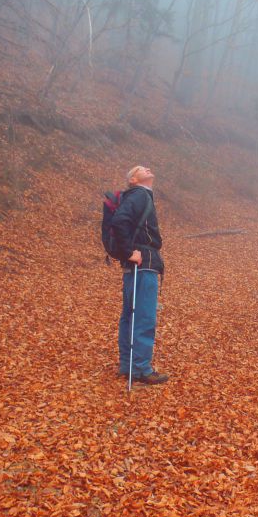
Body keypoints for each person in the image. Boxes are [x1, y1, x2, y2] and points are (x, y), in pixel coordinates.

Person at [111, 165, 168, 385]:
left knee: (129, 316)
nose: (147, 168)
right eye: (140, 169)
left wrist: (128, 253)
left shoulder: (137, 196)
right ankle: (141, 369)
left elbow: (121, 221)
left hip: (136, 264)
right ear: (133, 179)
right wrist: (129, 252)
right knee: (143, 316)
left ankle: (128, 365)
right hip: (143, 263)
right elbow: (120, 221)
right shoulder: (139, 195)